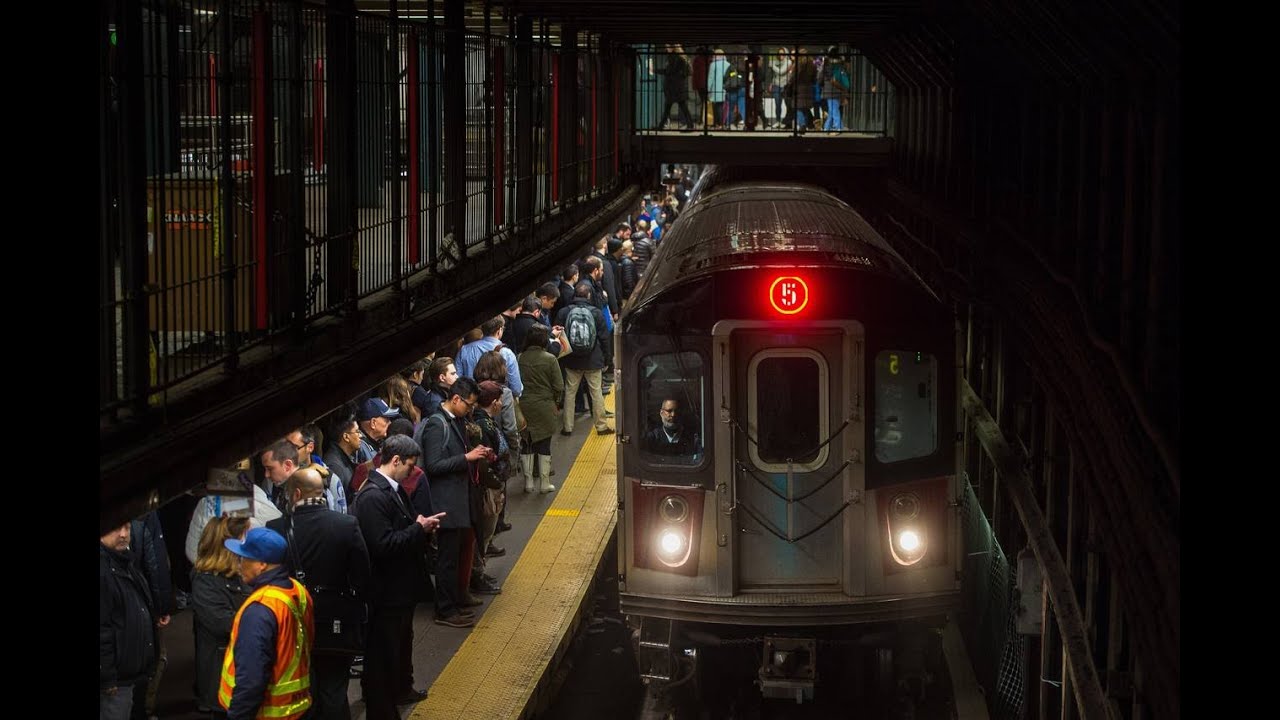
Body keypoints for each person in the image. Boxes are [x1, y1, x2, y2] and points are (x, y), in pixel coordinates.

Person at [268, 468, 372, 720]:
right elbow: (363, 577)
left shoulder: (276, 528)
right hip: (336, 623)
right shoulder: (346, 525)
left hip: (293, 622)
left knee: (301, 687)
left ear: (297, 494)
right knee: (334, 688)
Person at [218, 528, 315, 720]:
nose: (239, 564)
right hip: (297, 709)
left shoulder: (259, 610)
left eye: (244, 558)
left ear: (261, 564)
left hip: (266, 713)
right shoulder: (298, 591)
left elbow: (251, 681)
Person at [191, 516, 252, 717]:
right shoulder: (205, 583)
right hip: (223, 680)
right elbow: (226, 624)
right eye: (245, 536)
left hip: (244, 676)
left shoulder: (240, 575)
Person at [100, 522, 159, 720]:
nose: (123, 534)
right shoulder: (104, 570)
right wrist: (108, 678)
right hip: (115, 682)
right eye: (115, 528)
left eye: (126, 528)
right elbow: (102, 630)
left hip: (127, 676)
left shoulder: (124, 561)